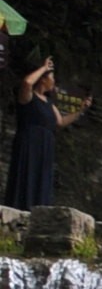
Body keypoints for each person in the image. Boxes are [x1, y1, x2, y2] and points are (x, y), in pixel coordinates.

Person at [7, 58, 87, 211]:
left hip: (45, 146)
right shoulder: (28, 96)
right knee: (26, 175)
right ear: (43, 79)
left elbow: (60, 122)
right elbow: (27, 83)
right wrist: (44, 68)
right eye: (52, 77)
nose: (54, 81)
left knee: (41, 180)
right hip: (29, 142)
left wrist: (80, 110)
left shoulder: (49, 103)